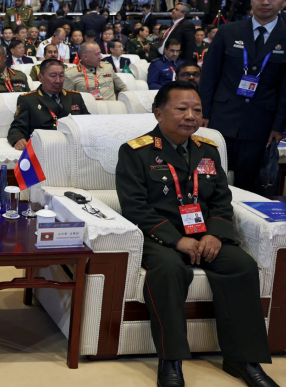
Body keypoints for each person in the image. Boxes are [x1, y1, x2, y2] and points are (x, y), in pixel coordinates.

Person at [117, 81, 277, 387]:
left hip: (205, 235)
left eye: (197, 110)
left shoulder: (208, 150)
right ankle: (171, 360)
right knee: (169, 269)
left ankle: (243, 360)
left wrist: (215, 235)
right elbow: (134, 207)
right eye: (181, 109)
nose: (191, 115)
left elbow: (221, 199)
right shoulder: (136, 152)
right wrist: (177, 240)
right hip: (158, 237)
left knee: (241, 266)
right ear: (158, 113)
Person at [199, 0, 286, 195]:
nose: (265, 2)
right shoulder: (229, 32)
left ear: (283, 1)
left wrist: (278, 126)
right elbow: (209, 76)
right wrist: (203, 113)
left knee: (249, 182)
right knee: (210, 178)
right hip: (221, 117)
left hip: (261, 123)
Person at [8, 59, 89, 150]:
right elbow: (17, 128)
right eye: (53, 76)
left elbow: (88, 123)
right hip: (44, 147)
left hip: (73, 146)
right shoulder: (28, 100)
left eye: (61, 76)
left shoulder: (75, 97)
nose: (58, 80)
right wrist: (18, 139)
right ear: (40, 77)